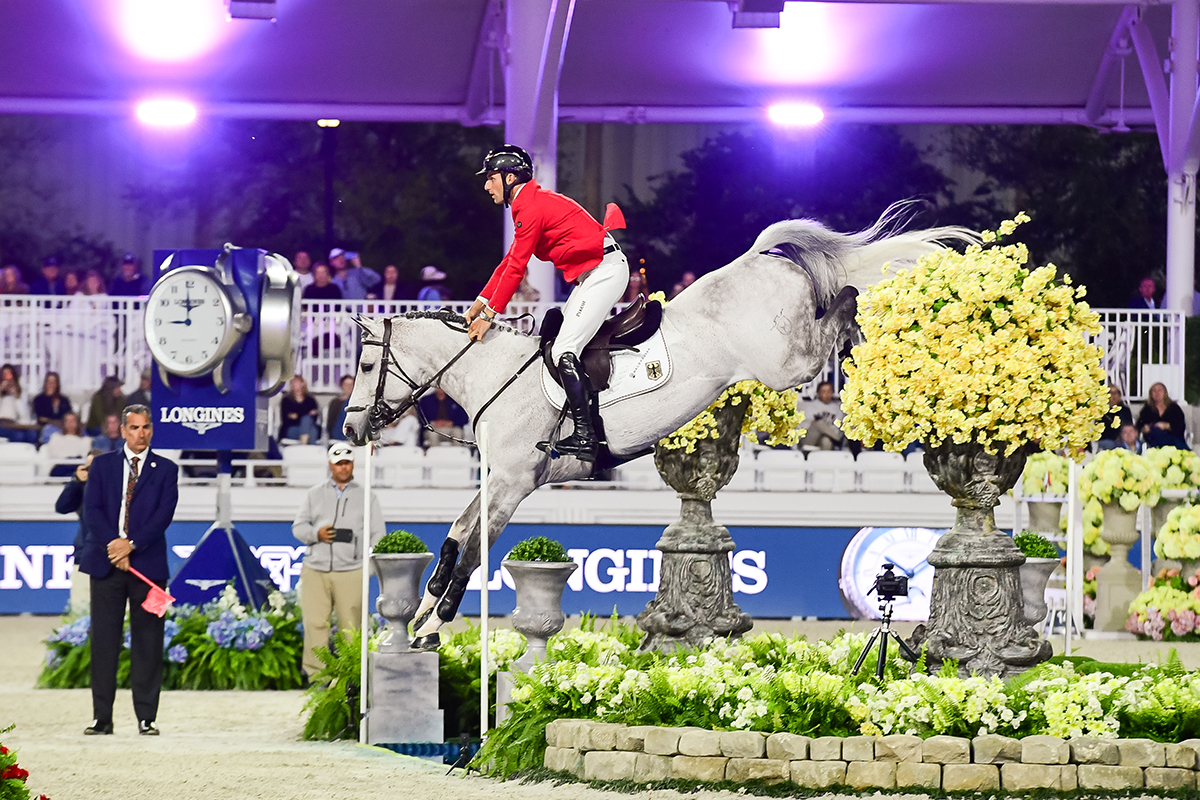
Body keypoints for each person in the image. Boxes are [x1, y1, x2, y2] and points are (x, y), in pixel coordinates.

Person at [466, 144, 628, 462]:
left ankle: (585, 436)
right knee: (557, 345)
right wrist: (481, 300)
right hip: (595, 274)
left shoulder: (528, 206)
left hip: (605, 273)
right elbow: (511, 261)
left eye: (490, 178)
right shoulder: (527, 202)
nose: (486, 186)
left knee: (564, 350)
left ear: (510, 177)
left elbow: (516, 268)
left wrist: (490, 314)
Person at [80, 404, 179, 735]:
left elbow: (163, 516)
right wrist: (115, 545)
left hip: (148, 568)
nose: (141, 433)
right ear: (122, 430)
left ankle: (146, 717)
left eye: (146, 427)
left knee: (148, 642)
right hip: (106, 565)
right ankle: (101, 718)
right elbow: (91, 509)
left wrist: (132, 544)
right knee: (104, 641)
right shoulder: (103, 466)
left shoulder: (166, 469)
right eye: (134, 428)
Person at [291, 442, 384, 679]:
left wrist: (368, 569)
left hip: (352, 571)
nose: (344, 468)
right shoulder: (314, 494)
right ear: (331, 465)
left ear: (353, 464)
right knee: (315, 624)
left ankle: (352, 675)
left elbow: (378, 536)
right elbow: (298, 527)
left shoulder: (367, 497)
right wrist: (316, 534)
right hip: (315, 569)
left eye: (348, 462)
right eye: (339, 463)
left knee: (351, 628)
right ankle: (316, 676)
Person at [56, 451, 98, 614]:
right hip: (84, 554)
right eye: (88, 466)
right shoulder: (81, 486)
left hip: (108, 555)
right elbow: (61, 507)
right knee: (81, 608)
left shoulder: (114, 486)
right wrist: (75, 482)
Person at [1136, 381, 1189, 450]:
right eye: (1154, 391)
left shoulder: (1174, 408)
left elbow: (1181, 426)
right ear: (1151, 394)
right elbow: (1139, 425)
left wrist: (1168, 426)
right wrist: (1145, 428)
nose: (1157, 393)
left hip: (1173, 440)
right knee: (1156, 432)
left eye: (1160, 390)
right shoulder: (1147, 409)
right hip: (1154, 442)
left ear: (1165, 393)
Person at [801, 381, 846, 450]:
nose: (827, 394)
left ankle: (825, 460)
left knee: (826, 441)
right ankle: (838, 440)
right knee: (819, 423)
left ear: (832, 393)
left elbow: (838, 428)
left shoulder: (838, 408)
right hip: (810, 438)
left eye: (829, 391)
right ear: (818, 393)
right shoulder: (809, 406)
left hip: (829, 438)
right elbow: (804, 426)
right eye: (824, 391)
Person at [0, 363, 37, 444]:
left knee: (32, 435)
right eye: (4, 375)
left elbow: (25, 416)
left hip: (14, 424)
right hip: (1, 423)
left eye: (9, 375)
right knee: (18, 436)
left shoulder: (20, 393)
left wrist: (17, 397)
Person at [280, 375, 320, 443]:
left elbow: (314, 417)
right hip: (292, 429)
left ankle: (303, 444)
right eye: (291, 382)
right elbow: (287, 418)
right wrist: (307, 413)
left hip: (308, 427)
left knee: (312, 428)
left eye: (295, 382)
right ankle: (306, 448)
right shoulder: (286, 400)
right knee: (310, 425)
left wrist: (298, 415)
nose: (293, 384)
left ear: (302, 384)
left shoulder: (310, 400)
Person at [1096, 383, 1134, 450]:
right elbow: (1101, 430)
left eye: (1116, 393)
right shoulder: (1102, 410)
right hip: (1108, 439)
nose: (1113, 396)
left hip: (1123, 438)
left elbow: (1128, 425)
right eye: (1111, 393)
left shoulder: (1125, 410)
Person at [326, 375, 354, 442]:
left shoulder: (358, 402)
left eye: (351, 384)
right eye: (346, 384)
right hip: (337, 435)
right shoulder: (335, 402)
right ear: (342, 386)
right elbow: (330, 422)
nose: (349, 387)